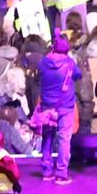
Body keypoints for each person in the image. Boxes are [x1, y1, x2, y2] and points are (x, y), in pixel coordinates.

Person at [36, 35, 79, 183]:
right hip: (65, 106)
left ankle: (47, 171)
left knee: (47, 137)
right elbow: (78, 76)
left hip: (47, 106)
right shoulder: (70, 63)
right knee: (64, 139)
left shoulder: (43, 62)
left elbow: (38, 77)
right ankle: (61, 173)